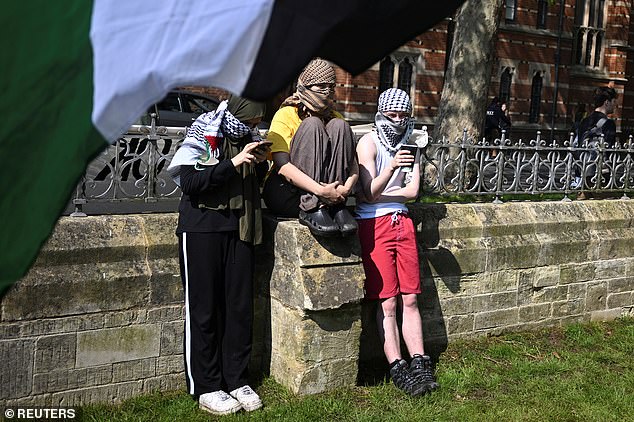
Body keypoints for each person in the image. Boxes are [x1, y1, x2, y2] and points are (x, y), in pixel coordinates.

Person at [167, 95, 268, 415]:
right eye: (251, 120)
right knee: (204, 309)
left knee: (238, 308)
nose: (254, 126)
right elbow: (191, 181)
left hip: (240, 229)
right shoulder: (205, 131)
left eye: (257, 122)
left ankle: (236, 379)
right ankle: (207, 386)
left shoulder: (247, 138)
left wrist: (259, 159)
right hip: (202, 230)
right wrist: (233, 163)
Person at [355, 88, 439, 396]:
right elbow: (366, 193)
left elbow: (413, 192)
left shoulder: (411, 144)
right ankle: (398, 366)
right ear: (380, 114)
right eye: (393, 115)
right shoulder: (369, 142)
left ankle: (420, 361)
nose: (399, 121)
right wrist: (390, 169)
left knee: (411, 298)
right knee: (387, 301)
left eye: (404, 115)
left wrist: (380, 192)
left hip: (402, 222)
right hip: (374, 225)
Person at [263, 58, 359, 237]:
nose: (327, 91)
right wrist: (320, 191)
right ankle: (313, 206)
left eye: (330, 87)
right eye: (321, 86)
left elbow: (352, 161)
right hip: (289, 193)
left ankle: (335, 207)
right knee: (312, 124)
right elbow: (282, 165)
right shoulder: (286, 114)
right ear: (305, 86)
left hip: (334, 196)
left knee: (339, 126)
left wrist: (345, 188)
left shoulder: (335, 116)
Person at [574, 87, 617, 198]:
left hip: (584, 170)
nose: (615, 105)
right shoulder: (609, 124)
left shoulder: (585, 121)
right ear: (606, 102)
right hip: (600, 174)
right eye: (613, 102)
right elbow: (607, 151)